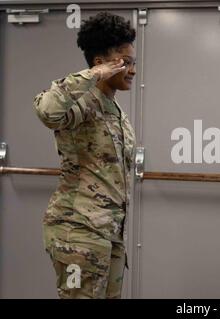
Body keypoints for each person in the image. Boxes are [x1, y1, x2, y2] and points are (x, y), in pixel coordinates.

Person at [33, 12, 136, 298]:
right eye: (125, 63)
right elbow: (47, 110)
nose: (133, 70)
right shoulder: (82, 103)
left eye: (133, 62)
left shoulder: (117, 113)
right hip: (77, 232)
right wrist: (94, 75)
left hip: (109, 234)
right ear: (100, 63)